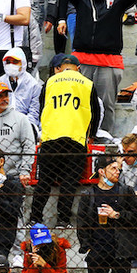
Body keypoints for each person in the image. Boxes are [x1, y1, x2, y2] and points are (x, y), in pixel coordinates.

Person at [56, 0, 137, 134]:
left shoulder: (117, 0)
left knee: (106, 104)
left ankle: (105, 137)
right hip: (84, 60)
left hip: (108, 61)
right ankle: (81, 136)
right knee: (80, 101)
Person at [30, 54, 99, 226]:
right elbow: (95, 111)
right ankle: (63, 220)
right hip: (75, 136)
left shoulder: (50, 82)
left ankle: (34, 218)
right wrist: (91, 134)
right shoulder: (87, 83)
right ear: (78, 68)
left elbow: (41, 107)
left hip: (51, 136)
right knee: (69, 180)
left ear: (60, 67)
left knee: (44, 179)